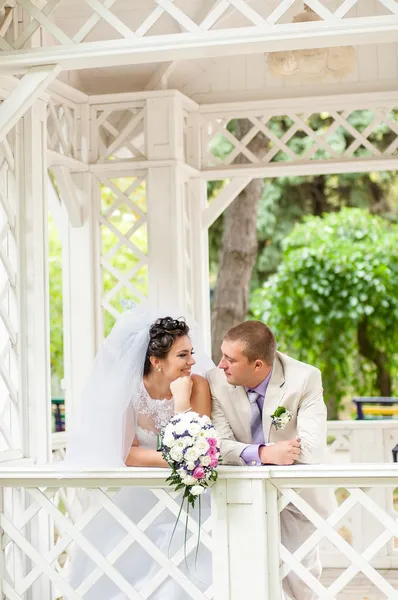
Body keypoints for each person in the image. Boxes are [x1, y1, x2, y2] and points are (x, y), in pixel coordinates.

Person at [65, 309, 214, 600]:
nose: (193, 361)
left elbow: (197, 442)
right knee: (118, 553)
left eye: (191, 352)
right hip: (143, 491)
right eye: (182, 355)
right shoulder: (130, 391)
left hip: (191, 495)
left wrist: (181, 400)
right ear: (156, 362)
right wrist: (181, 461)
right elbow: (128, 455)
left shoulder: (198, 385)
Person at [207, 320, 335, 600]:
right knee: (242, 577)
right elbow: (217, 446)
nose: (220, 365)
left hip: (296, 496)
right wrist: (265, 453)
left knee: (299, 579)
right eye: (221, 355)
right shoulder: (215, 381)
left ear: (258, 366)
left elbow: (311, 450)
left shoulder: (304, 379)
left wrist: (256, 453)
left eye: (230, 359)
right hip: (239, 495)